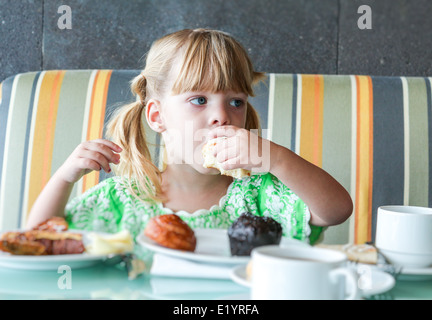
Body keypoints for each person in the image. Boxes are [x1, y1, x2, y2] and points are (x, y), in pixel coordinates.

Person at [27, 28, 352, 244]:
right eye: (199, 100)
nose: (221, 115)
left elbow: (336, 210)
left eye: (235, 101)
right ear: (158, 116)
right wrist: (64, 178)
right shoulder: (125, 198)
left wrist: (276, 157)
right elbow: (38, 239)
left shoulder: (258, 196)